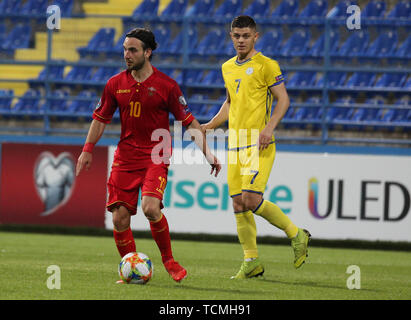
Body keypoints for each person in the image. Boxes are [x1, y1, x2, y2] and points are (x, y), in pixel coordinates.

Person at [76, 27, 221, 283]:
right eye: (124, 50)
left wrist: (208, 153)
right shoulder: (114, 84)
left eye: (132, 50)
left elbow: (190, 122)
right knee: (119, 217)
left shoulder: (167, 86)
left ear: (148, 52)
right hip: (126, 157)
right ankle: (132, 268)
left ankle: (169, 260)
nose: (127, 55)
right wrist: (87, 150)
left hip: (156, 154)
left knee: (150, 208)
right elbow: (100, 119)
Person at [201, 16, 311, 279]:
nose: (241, 40)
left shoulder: (266, 65)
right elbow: (230, 102)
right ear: (231, 37)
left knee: (251, 199)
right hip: (235, 145)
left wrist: (269, 128)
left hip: (258, 144)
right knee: (239, 204)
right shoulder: (227, 67)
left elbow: (283, 99)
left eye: (246, 36)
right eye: (237, 36)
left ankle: (297, 235)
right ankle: (251, 262)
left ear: (255, 37)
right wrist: (209, 125)